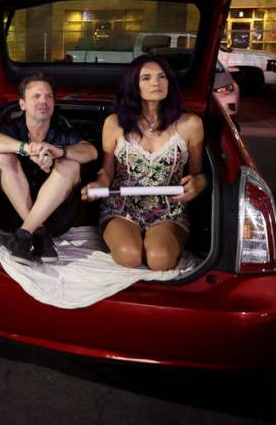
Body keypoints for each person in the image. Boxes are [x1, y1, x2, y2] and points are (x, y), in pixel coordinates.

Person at [82, 55, 206, 271]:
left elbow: (199, 174)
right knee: (129, 256)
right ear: (134, 85)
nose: (156, 83)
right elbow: (107, 171)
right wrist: (99, 184)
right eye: (146, 78)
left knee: (160, 259)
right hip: (121, 206)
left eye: (161, 76)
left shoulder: (190, 124)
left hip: (169, 210)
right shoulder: (114, 123)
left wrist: (198, 184)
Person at [0, 74, 98, 265]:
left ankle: (25, 234)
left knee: (71, 162)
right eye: (36, 96)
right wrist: (27, 149)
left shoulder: (62, 132)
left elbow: (91, 152)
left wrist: (58, 151)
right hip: (11, 218)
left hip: (56, 220)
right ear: (22, 104)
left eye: (49, 96)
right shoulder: (11, 130)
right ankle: (37, 232)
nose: (43, 101)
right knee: (1, 154)